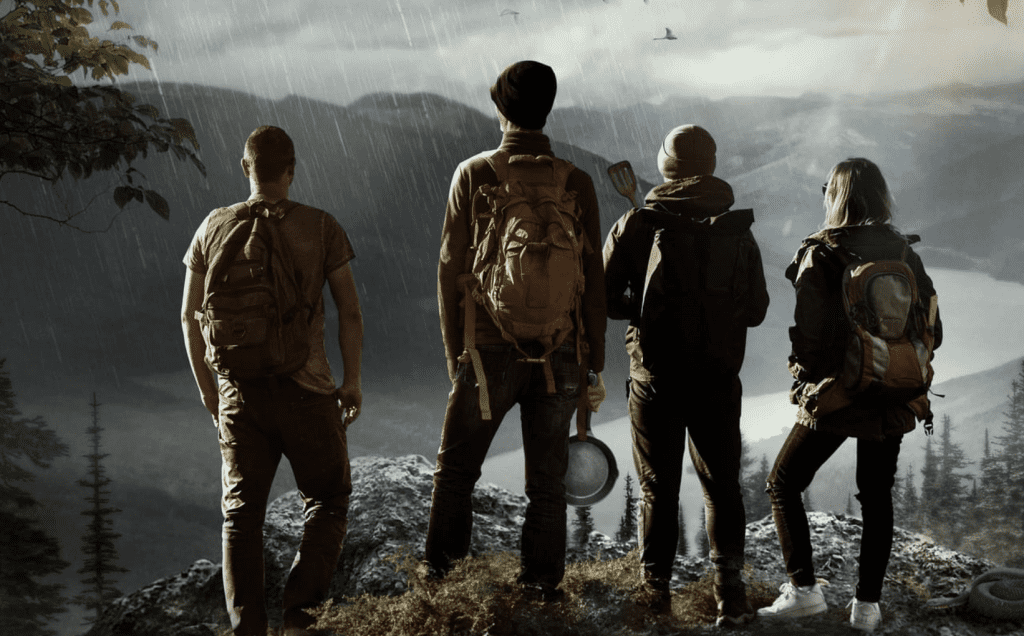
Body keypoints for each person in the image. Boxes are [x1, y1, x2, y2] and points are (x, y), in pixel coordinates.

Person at [425, 60, 607, 601]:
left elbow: (449, 267)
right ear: (547, 109)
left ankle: (444, 588)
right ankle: (541, 590)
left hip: (488, 350)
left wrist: (456, 352)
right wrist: (592, 359)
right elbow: (592, 277)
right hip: (561, 351)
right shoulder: (576, 181)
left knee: (457, 471)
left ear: (500, 109)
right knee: (546, 486)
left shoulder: (475, 173)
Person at [181, 125, 363, 636]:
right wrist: (351, 382)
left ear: (245, 168)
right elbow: (349, 310)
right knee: (327, 502)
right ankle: (301, 618)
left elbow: (189, 317)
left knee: (241, 517)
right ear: (292, 169)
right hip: (307, 392)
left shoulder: (211, 228)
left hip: (240, 395)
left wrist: (209, 390)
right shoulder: (321, 227)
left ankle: (248, 628)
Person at [757, 158, 942, 633]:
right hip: (894, 390)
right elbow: (934, 329)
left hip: (840, 396)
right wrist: (890, 359)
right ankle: (867, 607)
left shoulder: (821, 252)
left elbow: (811, 338)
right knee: (876, 495)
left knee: (783, 482)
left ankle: (804, 591)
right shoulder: (904, 252)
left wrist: (807, 383)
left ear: (834, 197)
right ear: (881, 197)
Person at [603, 124, 769, 626]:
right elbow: (757, 309)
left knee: (659, 489)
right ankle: (730, 598)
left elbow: (607, 300)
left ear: (666, 167)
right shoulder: (737, 228)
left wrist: (644, 307)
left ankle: (656, 599)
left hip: (656, 377)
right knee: (722, 489)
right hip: (718, 377)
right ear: (711, 166)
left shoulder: (638, 223)